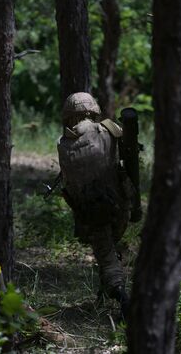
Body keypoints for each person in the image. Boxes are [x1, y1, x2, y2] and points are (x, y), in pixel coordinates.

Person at [57, 92, 139, 315]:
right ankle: (111, 295)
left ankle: (123, 300)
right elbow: (128, 153)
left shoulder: (63, 143)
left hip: (89, 213)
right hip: (118, 204)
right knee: (108, 252)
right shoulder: (108, 129)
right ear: (92, 109)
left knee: (106, 254)